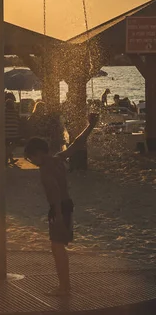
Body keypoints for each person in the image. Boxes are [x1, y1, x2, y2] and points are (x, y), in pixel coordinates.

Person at [24, 113, 99, 296]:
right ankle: (65, 286)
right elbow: (76, 145)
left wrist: (56, 214)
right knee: (59, 248)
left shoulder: (45, 169)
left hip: (59, 208)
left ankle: (64, 287)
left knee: (57, 250)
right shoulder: (58, 158)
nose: (32, 162)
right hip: (67, 205)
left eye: (31, 158)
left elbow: (54, 190)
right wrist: (90, 125)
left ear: (38, 154)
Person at [5, 98, 20, 164]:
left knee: (7, 145)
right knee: (14, 144)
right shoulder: (15, 112)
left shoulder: (4, 112)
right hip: (13, 132)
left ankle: (9, 159)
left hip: (5, 132)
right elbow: (18, 121)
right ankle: (6, 156)